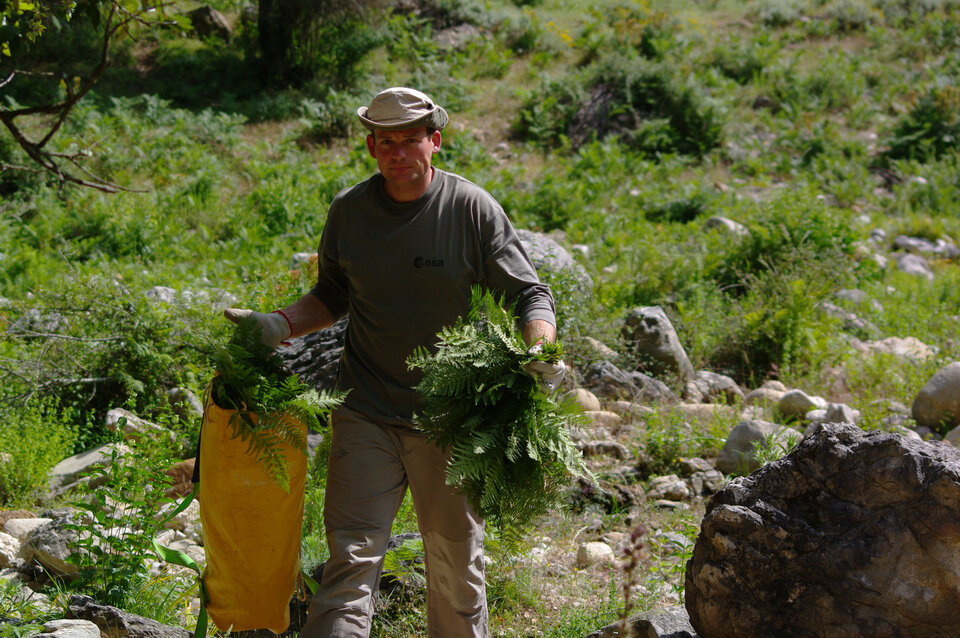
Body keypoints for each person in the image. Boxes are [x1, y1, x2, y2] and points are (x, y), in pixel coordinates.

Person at [223, 86, 565, 638]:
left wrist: (539, 348)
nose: (399, 152)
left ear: (435, 142)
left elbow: (530, 294)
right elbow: (333, 295)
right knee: (350, 560)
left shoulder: (470, 209)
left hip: (452, 418)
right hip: (366, 409)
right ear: (370, 147)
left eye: (411, 140)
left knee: (456, 568)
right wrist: (280, 324)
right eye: (387, 142)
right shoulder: (350, 212)